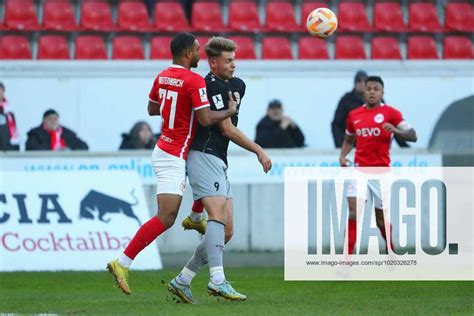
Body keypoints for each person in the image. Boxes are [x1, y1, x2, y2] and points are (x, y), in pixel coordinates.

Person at [106, 32, 237, 295]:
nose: (201, 54)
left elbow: (152, 109)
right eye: (198, 50)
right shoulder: (194, 80)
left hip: (169, 147)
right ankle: (122, 262)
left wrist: (176, 109)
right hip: (173, 154)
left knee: (202, 175)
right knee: (165, 217)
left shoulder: (162, 75)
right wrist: (230, 111)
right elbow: (205, 119)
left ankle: (196, 216)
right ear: (188, 53)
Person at [167, 36, 272, 303]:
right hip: (203, 155)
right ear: (213, 63)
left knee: (226, 231)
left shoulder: (238, 85)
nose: (233, 64)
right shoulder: (208, 85)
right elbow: (225, 127)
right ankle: (218, 280)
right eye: (228, 60)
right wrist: (258, 149)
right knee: (217, 216)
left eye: (234, 59)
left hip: (219, 159)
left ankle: (183, 280)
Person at [339, 76, 417, 255]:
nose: (372, 92)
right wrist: (342, 155)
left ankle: (390, 249)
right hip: (358, 170)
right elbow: (349, 138)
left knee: (381, 219)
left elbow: (413, 135)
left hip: (381, 173)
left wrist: (397, 131)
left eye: (376, 89)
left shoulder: (391, 113)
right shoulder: (354, 115)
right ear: (364, 92)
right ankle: (347, 260)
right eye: (369, 89)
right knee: (353, 212)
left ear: (382, 92)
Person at [332, 70, 410, 148]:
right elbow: (336, 124)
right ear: (355, 83)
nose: (361, 83)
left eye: (365, 81)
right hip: (355, 144)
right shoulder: (346, 100)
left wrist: (403, 146)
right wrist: (340, 146)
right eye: (358, 80)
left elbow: (389, 121)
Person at [0, 82, 20, 151]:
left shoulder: (8, 109)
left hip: (9, 146)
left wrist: (15, 146)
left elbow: (13, 129)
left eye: (1, 90)